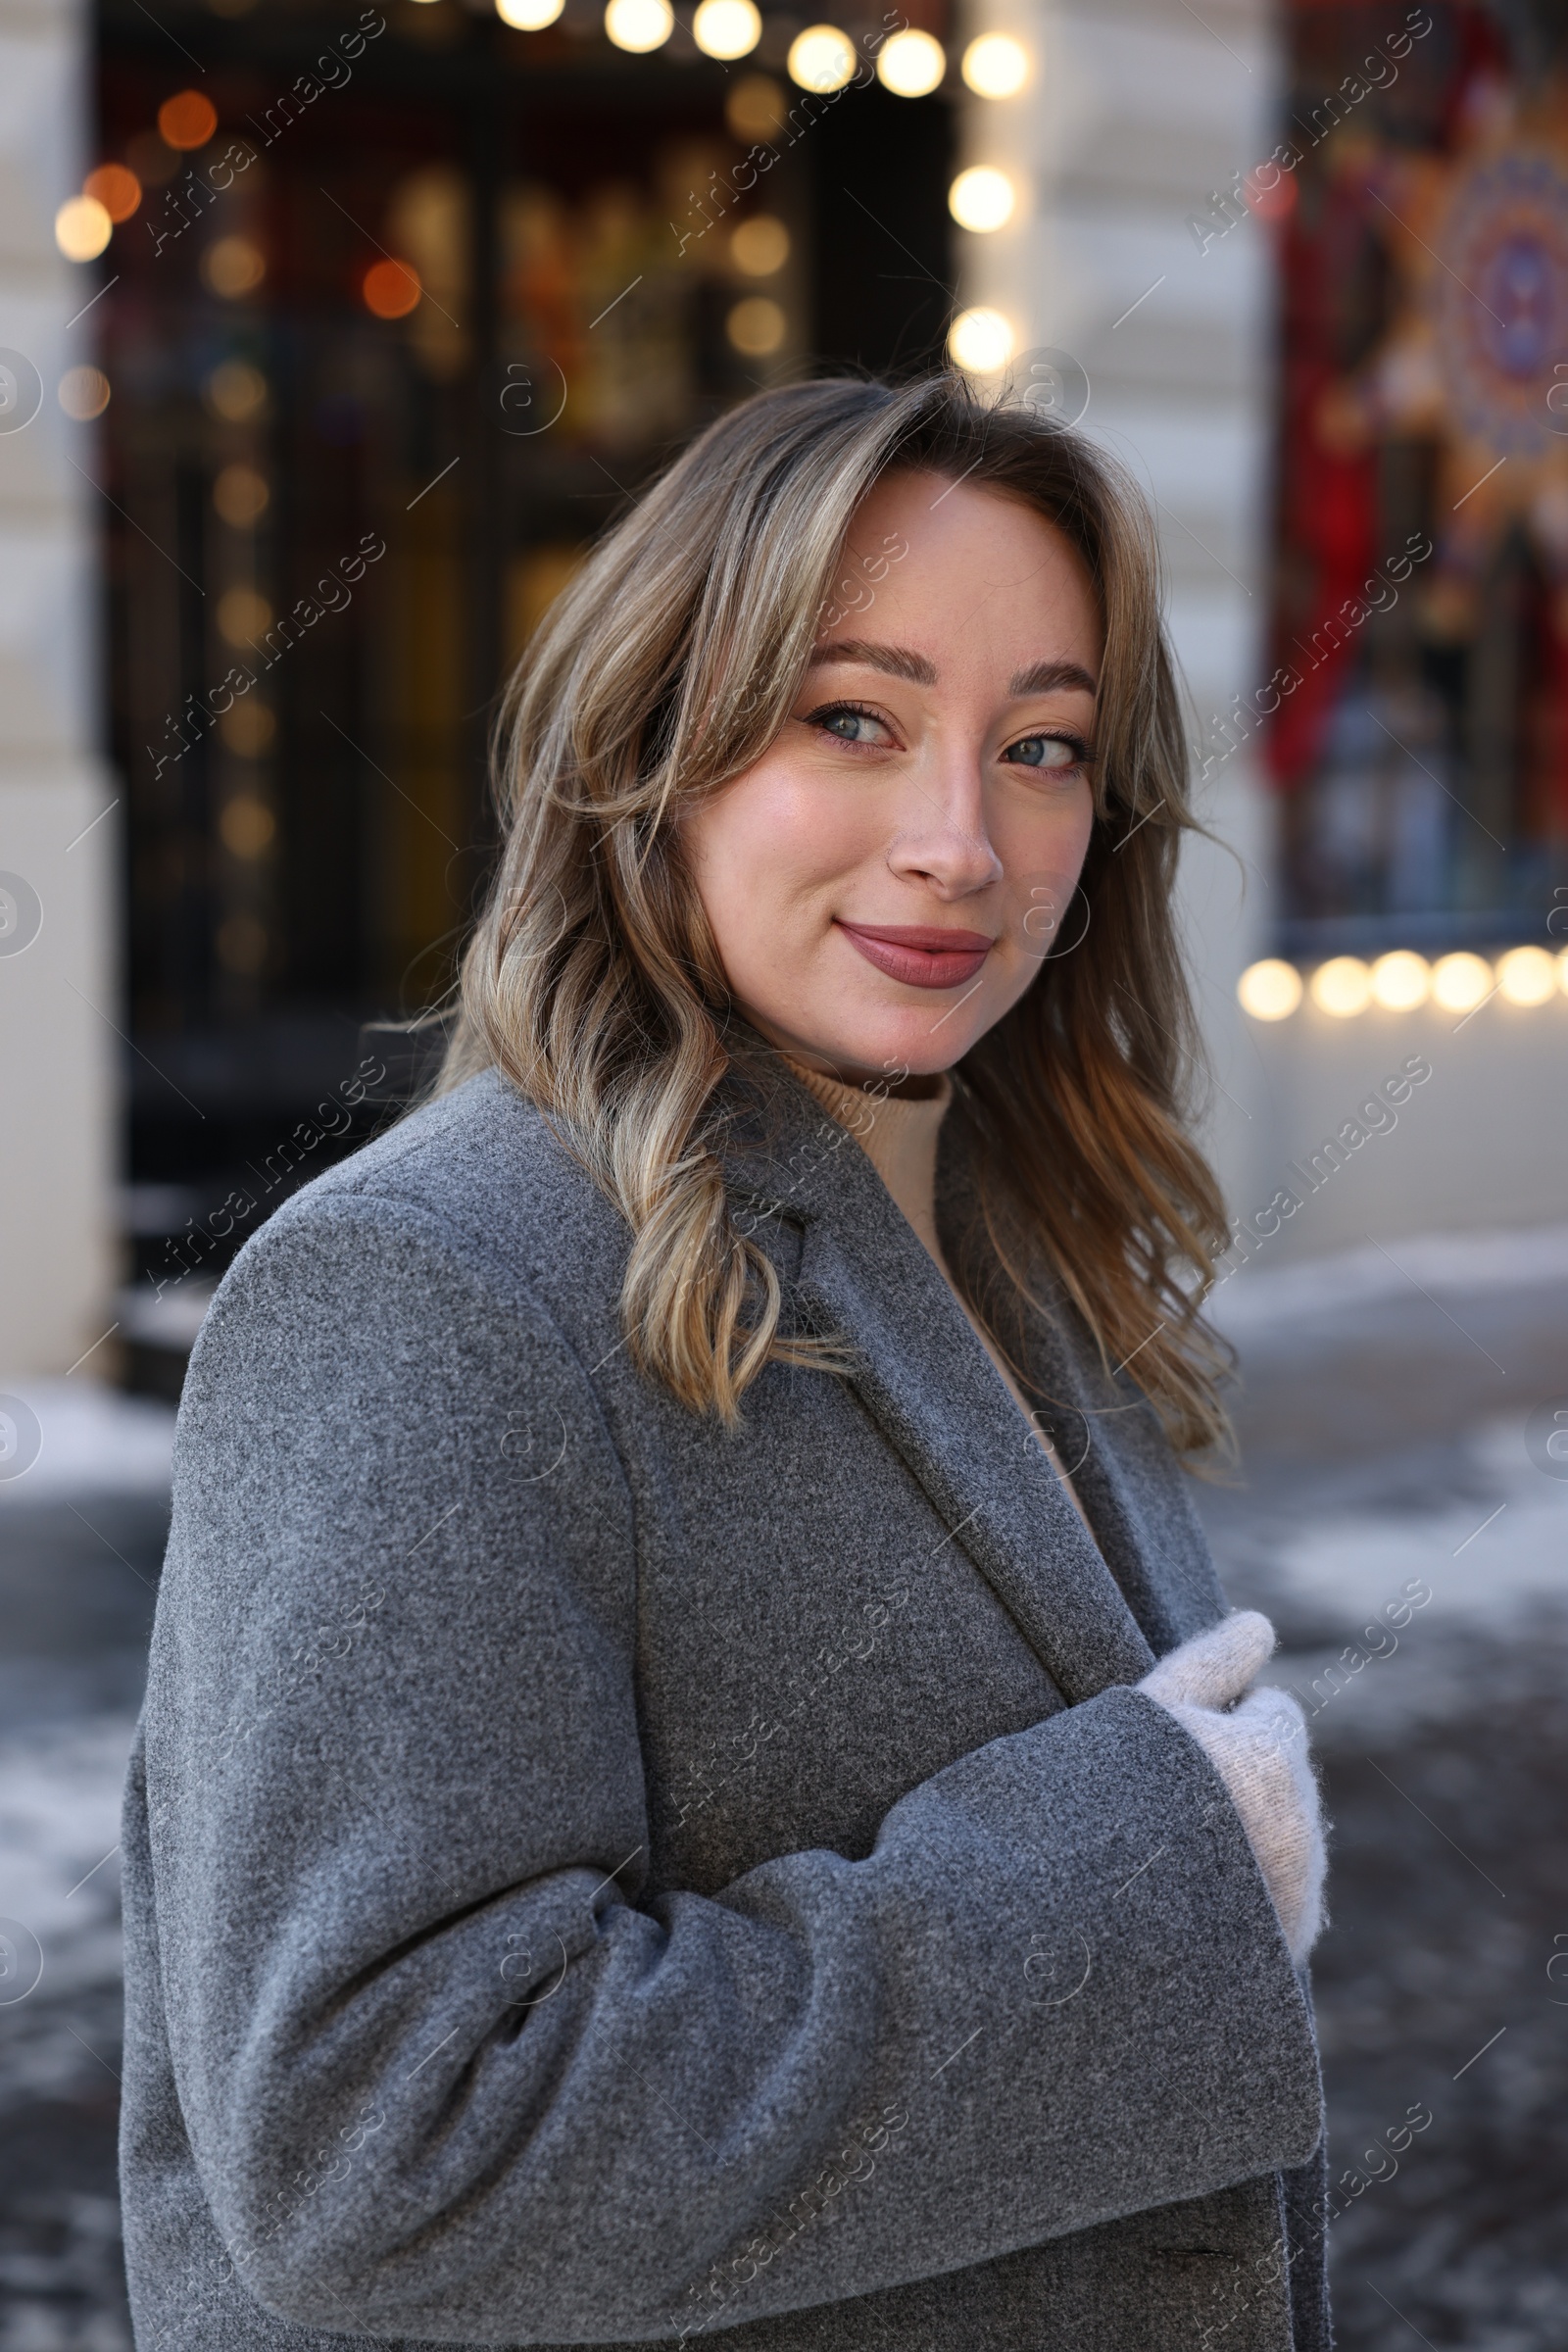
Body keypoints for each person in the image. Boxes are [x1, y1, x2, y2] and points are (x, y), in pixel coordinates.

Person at [121, 372, 1329, 2352]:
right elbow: (383, 2157)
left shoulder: (1010, 1246)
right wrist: (1141, 1888)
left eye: (1038, 747)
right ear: (654, 749)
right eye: (849, 720)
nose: (958, 840)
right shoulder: (427, 1292)